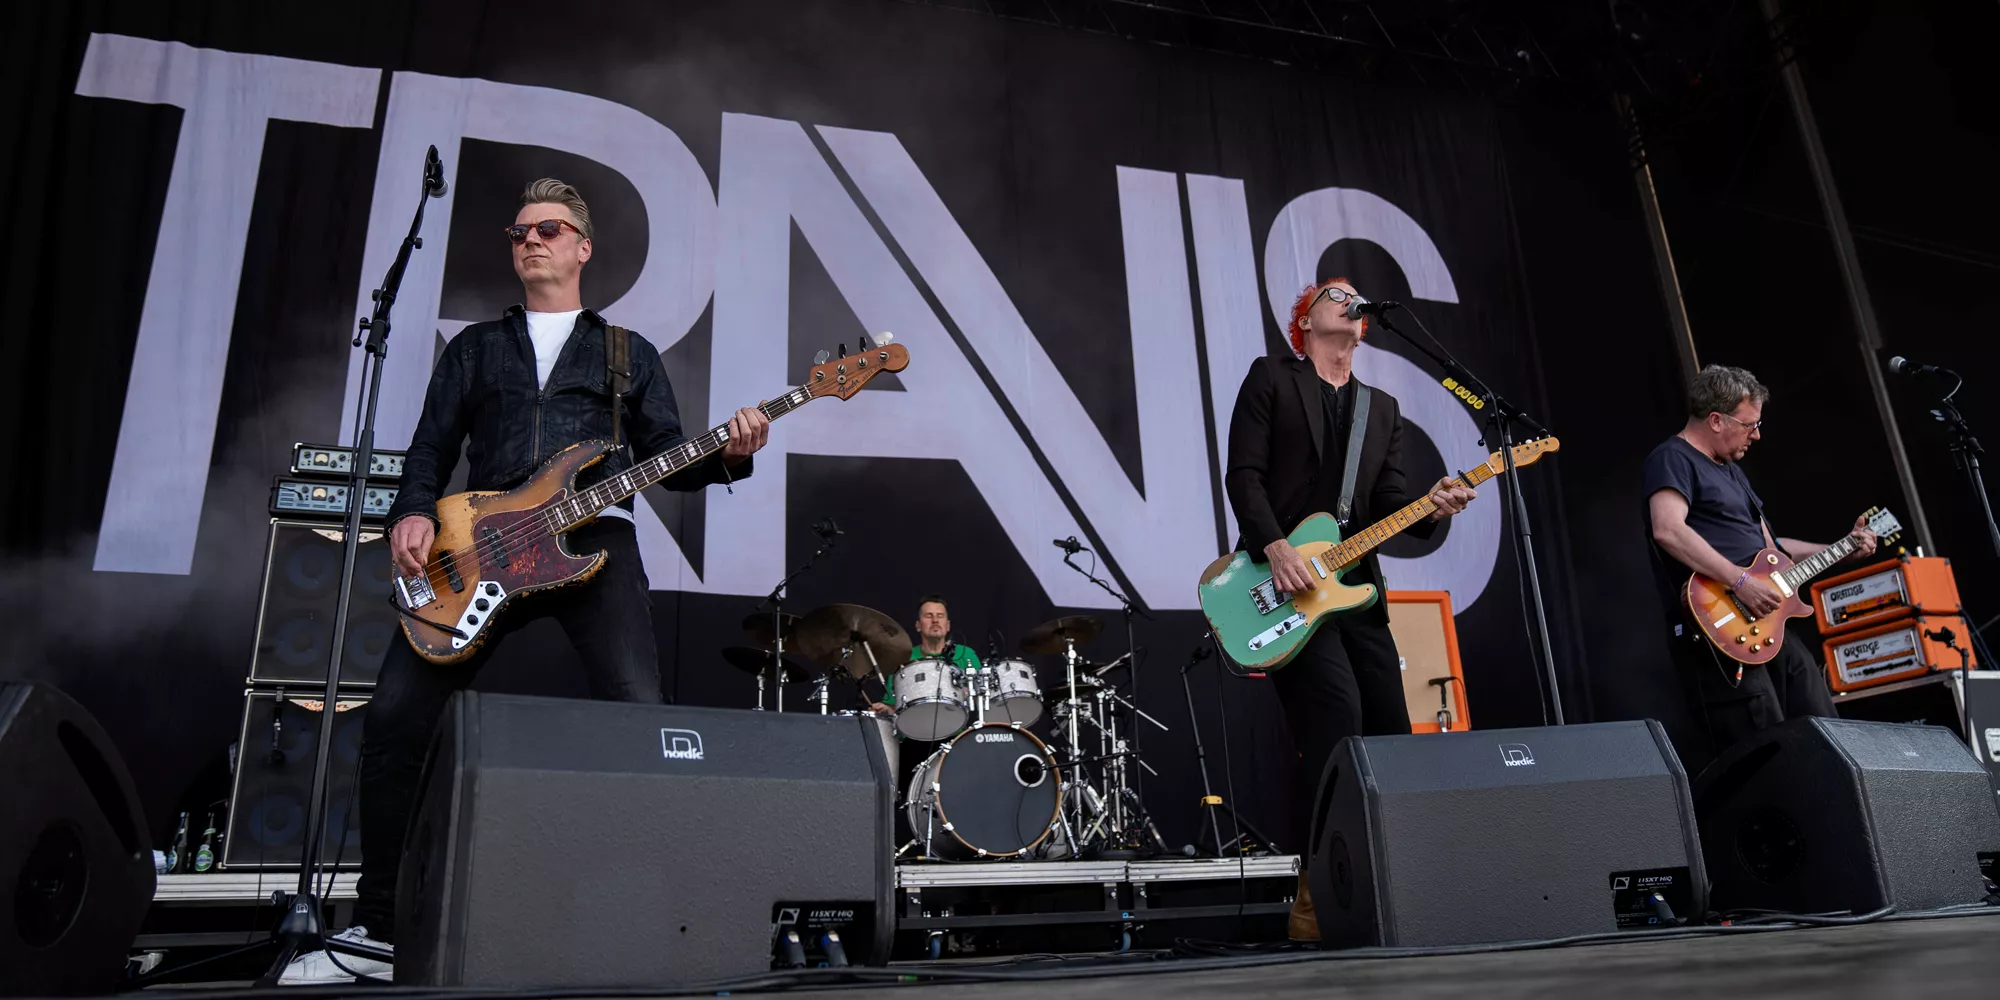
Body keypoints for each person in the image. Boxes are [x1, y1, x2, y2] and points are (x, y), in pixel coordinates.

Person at [282, 178, 771, 983]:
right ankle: (376, 930)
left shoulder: (627, 354)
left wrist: (733, 453)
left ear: (582, 248)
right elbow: (430, 449)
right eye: (519, 232)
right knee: (396, 718)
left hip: (594, 543)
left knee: (638, 718)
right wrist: (412, 513)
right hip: (478, 548)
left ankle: (644, 922)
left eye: (548, 229)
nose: (530, 241)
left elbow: (670, 461)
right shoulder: (475, 349)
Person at [1223, 278, 1476, 942]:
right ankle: (1318, 894)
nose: (1352, 299)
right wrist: (1275, 546)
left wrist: (1432, 508)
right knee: (1335, 718)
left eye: (1356, 296)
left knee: (1391, 731)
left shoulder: (1380, 408)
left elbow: (1388, 505)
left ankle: (1397, 885)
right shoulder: (1272, 378)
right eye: (1336, 293)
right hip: (1283, 584)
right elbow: (1243, 475)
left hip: (1355, 589)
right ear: (1305, 322)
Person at [1643, 364, 1876, 772]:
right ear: (1717, 420)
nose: (1757, 435)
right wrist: (1741, 581)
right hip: (1718, 625)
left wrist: (1842, 550)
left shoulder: (1733, 473)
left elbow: (1773, 552)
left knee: (1824, 728)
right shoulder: (1672, 458)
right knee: (1766, 753)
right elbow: (1668, 529)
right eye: (1750, 424)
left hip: (1769, 623)